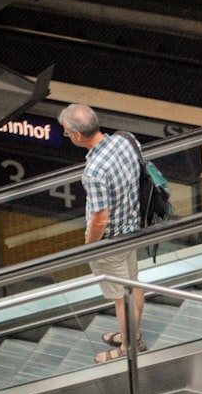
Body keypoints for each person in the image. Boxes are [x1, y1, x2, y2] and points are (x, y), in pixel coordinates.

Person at [59, 103, 145, 364]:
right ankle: (133, 335)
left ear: (77, 135)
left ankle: (127, 348)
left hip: (109, 243)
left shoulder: (94, 170)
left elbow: (100, 218)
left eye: (66, 132)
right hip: (133, 229)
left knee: (120, 297)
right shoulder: (126, 140)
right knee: (133, 283)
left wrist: (89, 247)